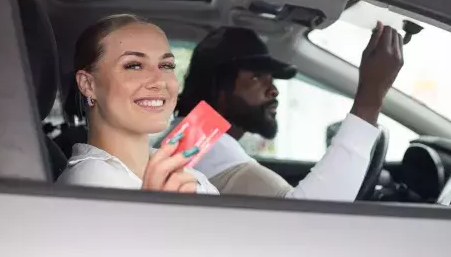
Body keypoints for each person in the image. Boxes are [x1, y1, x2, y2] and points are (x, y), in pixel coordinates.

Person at [169, 22, 403, 201]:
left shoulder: (190, 139)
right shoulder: (204, 152)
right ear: (218, 86)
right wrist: (370, 97)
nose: (273, 91)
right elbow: (309, 220)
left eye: (272, 79)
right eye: (257, 77)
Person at [56, 14, 218, 194]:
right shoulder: (87, 184)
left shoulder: (177, 170)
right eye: (134, 65)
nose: (159, 81)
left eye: (166, 66)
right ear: (88, 85)